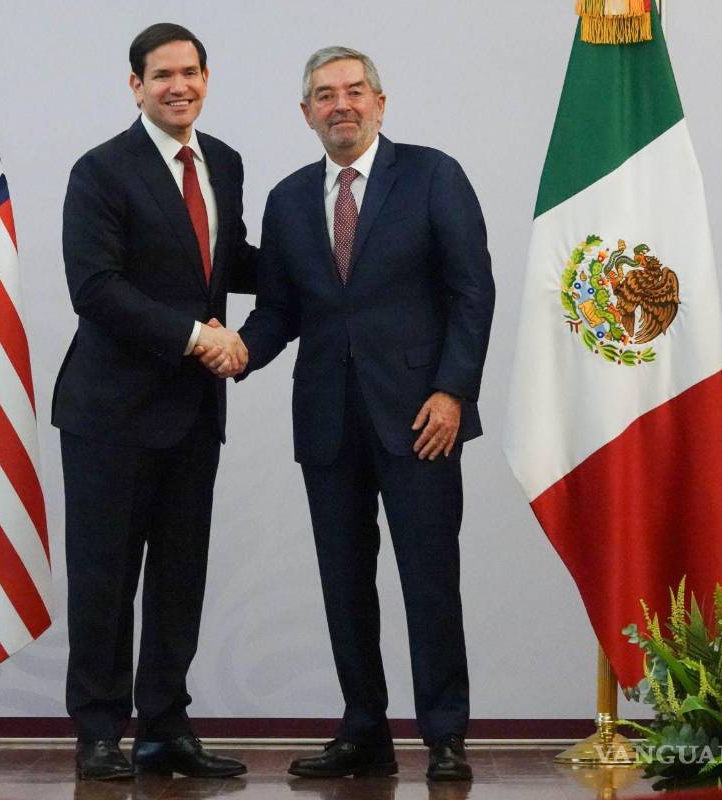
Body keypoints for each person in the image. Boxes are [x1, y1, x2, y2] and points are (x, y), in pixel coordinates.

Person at [202, 46, 494, 782]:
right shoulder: (291, 198)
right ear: (306, 114)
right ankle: (364, 729)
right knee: (343, 582)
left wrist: (453, 390)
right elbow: (279, 310)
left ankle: (446, 734)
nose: (342, 104)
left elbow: (472, 292)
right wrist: (238, 351)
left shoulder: (433, 176)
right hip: (329, 420)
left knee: (430, 578)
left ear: (381, 102)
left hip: (422, 418)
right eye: (326, 95)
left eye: (355, 91)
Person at [53, 22, 253, 781]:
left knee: (180, 577)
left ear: (207, 79)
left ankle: (166, 728)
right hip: (110, 413)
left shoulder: (224, 162)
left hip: (194, 413)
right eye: (163, 74)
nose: (180, 86)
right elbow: (94, 287)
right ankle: (99, 731)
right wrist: (194, 337)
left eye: (192, 72)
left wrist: (330, 263)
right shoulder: (101, 170)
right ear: (135, 85)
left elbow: (229, 261)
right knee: (104, 578)